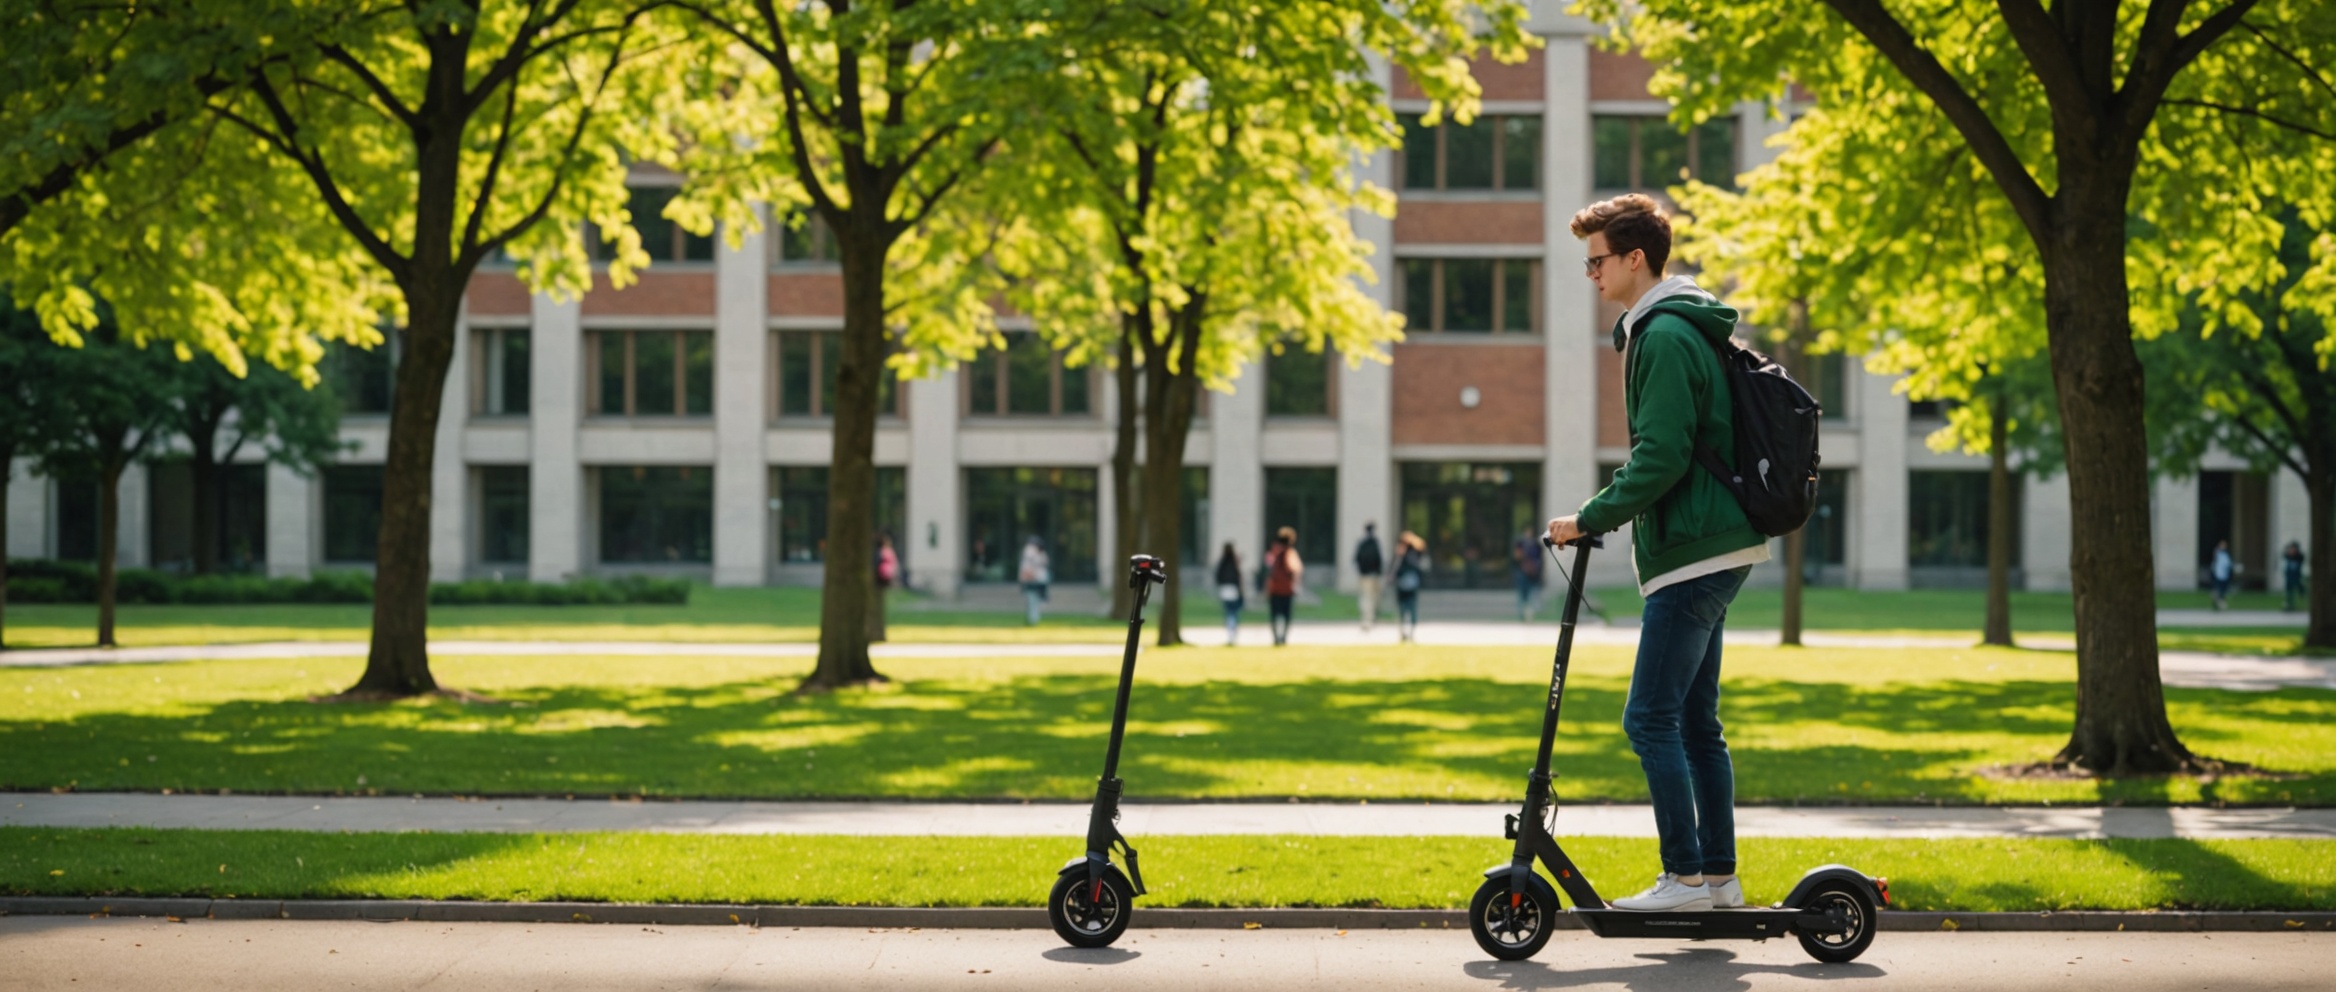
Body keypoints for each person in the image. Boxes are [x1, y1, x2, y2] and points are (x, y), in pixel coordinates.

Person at [1546, 193, 1769, 913]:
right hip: (1712, 545)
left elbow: (1662, 456)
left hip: (1695, 549)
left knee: (1648, 719)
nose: (1591, 274)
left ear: (1634, 258)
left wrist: (1587, 517)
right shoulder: (1676, 327)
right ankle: (1719, 880)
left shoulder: (1666, 335)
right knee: (1697, 723)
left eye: (1597, 260)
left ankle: (1685, 879)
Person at [1265, 526, 1304, 646]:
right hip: (1287, 589)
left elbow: (1268, 569)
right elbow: (1295, 569)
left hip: (1274, 588)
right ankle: (1283, 637)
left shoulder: (1273, 552)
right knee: (1286, 615)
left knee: (1274, 615)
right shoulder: (1290, 553)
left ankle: (1276, 637)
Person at [1393, 531, 1427, 643]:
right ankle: (1410, 633)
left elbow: (1396, 569)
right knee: (1411, 608)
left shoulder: (1402, 554)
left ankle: (1404, 632)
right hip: (1412, 583)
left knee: (1403, 609)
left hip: (1403, 584)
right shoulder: (1416, 553)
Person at [1354, 523, 1385, 632]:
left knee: (1366, 597)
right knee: (1371, 598)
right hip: (1373, 574)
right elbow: (1379, 559)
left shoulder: (1362, 543)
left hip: (1365, 575)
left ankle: (1367, 619)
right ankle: (1369, 619)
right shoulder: (1375, 543)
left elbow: (1356, 558)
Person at [1214, 542, 1246, 645]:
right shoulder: (1234, 563)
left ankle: (1231, 633)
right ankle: (1233, 633)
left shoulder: (1222, 562)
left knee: (1229, 612)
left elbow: (1218, 576)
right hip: (1233, 589)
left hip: (1225, 589)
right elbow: (1238, 577)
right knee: (1234, 612)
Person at [1512, 528, 1545, 621]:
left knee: (1533, 594)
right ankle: (1522, 614)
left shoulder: (1536, 545)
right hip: (1523, 573)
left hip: (1533, 574)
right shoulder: (1521, 544)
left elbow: (1540, 559)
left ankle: (1531, 614)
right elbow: (1516, 557)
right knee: (1523, 595)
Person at [1019, 535, 1050, 626]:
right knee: (1031, 600)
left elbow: (1039, 566)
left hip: (1037, 580)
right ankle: (1032, 619)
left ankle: (1033, 619)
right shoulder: (1030, 552)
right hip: (1031, 580)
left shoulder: (1039, 554)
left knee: (1035, 600)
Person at [2210, 540, 2234, 611]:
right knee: (2218, 590)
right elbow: (2214, 565)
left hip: (2225, 575)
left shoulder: (2227, 555)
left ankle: (2220, 603)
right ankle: (2217, 604)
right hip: (2218, 575)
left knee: (2223, 591)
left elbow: (2229, 564)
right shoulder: (2218, 554)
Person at [2284, 541, 2306, 613]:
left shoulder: (2299, 557)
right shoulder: (2288, 556)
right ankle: (2289, 605)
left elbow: (2301, 558)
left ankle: (2300, 601)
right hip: (2289, 576)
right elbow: (2285, 555)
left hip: (2296, 576)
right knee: (2289, 591)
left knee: (2299, 588)